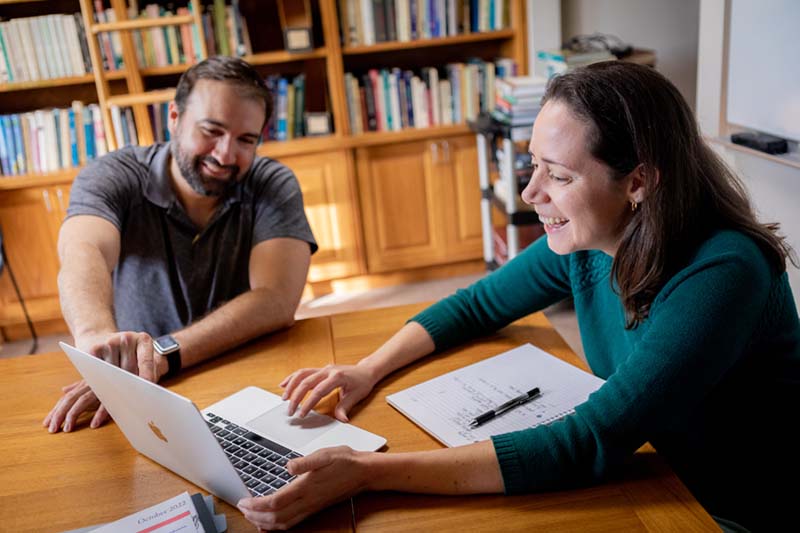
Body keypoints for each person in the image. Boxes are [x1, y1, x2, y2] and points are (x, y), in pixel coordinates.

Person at [238, 61, 800, 532]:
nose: (531, 192)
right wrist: (367, 369)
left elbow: (589, 440)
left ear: (638, 183)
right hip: (650, 467)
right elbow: (477, 305)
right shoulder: (593, 236)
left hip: (720, 510)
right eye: (534, 164)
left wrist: (368, 471)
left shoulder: (723, 271)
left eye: (557, 175)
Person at [43, 56, 317, 434]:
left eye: (246, 140)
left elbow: (276, 299)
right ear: (174, 117)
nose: (225, 155)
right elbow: (82, 250)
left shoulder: (273, 183)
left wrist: (163, 352)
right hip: (138, 383)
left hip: (242, 370)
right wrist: (96, 340)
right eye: (212, 130)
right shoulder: (113, 175)